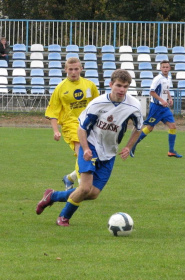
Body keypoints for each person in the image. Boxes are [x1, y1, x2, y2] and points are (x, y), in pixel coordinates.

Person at [36, 69, 143, 227]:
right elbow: (82, 129)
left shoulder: (133, 106)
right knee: (84, 188)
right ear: (111, 84)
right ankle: (64, 217)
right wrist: (85, 149)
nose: (122, 90)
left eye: (126, 87)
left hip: (110, 152)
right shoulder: (97, 103)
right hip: (91, 146)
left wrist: (128, 147)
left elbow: (139, 128)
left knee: (93, 194)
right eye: (119, 85)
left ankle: (53, 196)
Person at [45, 57, 100, 190]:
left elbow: (98, 106)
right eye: (70, 69)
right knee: (82, 151)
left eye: (76, 69)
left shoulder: (90, 85)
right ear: (65, 70)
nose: (73, 72)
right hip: (71, 124)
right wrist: (55, 131)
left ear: (81, 69)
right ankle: (82, 187)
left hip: (89, 125)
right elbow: (53, 111)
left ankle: (70, 178)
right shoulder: (60, 88)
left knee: (93, 157)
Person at [130, 60, 182, 158]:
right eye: (164, 67)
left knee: (173, 126)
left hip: (164, 108)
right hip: (156, 107)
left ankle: (171, 151)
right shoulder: (157, 79)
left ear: (170, 68)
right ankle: (133, 144)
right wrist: (162, 100)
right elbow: (152, 92)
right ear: (160, 68)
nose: (165, 69)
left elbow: (166, 90)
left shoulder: (168, 78)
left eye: (167, 67)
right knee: (150, 127)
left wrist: (170, 98)